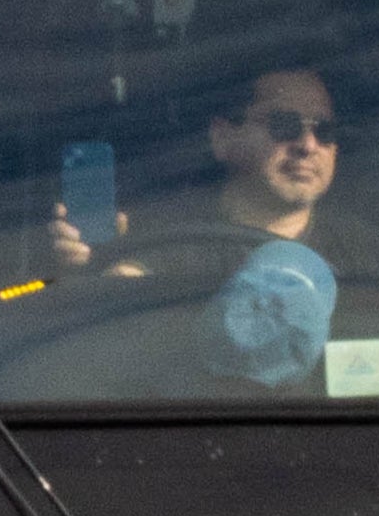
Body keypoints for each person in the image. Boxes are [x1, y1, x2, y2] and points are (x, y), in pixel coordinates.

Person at [33, 63, 352, 390]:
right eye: (285, 124)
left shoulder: (372, 257)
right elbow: (93, 367)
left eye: (324, 130)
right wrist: (86, 278)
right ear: (223, 138)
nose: (308, 145)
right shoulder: (152, 248)